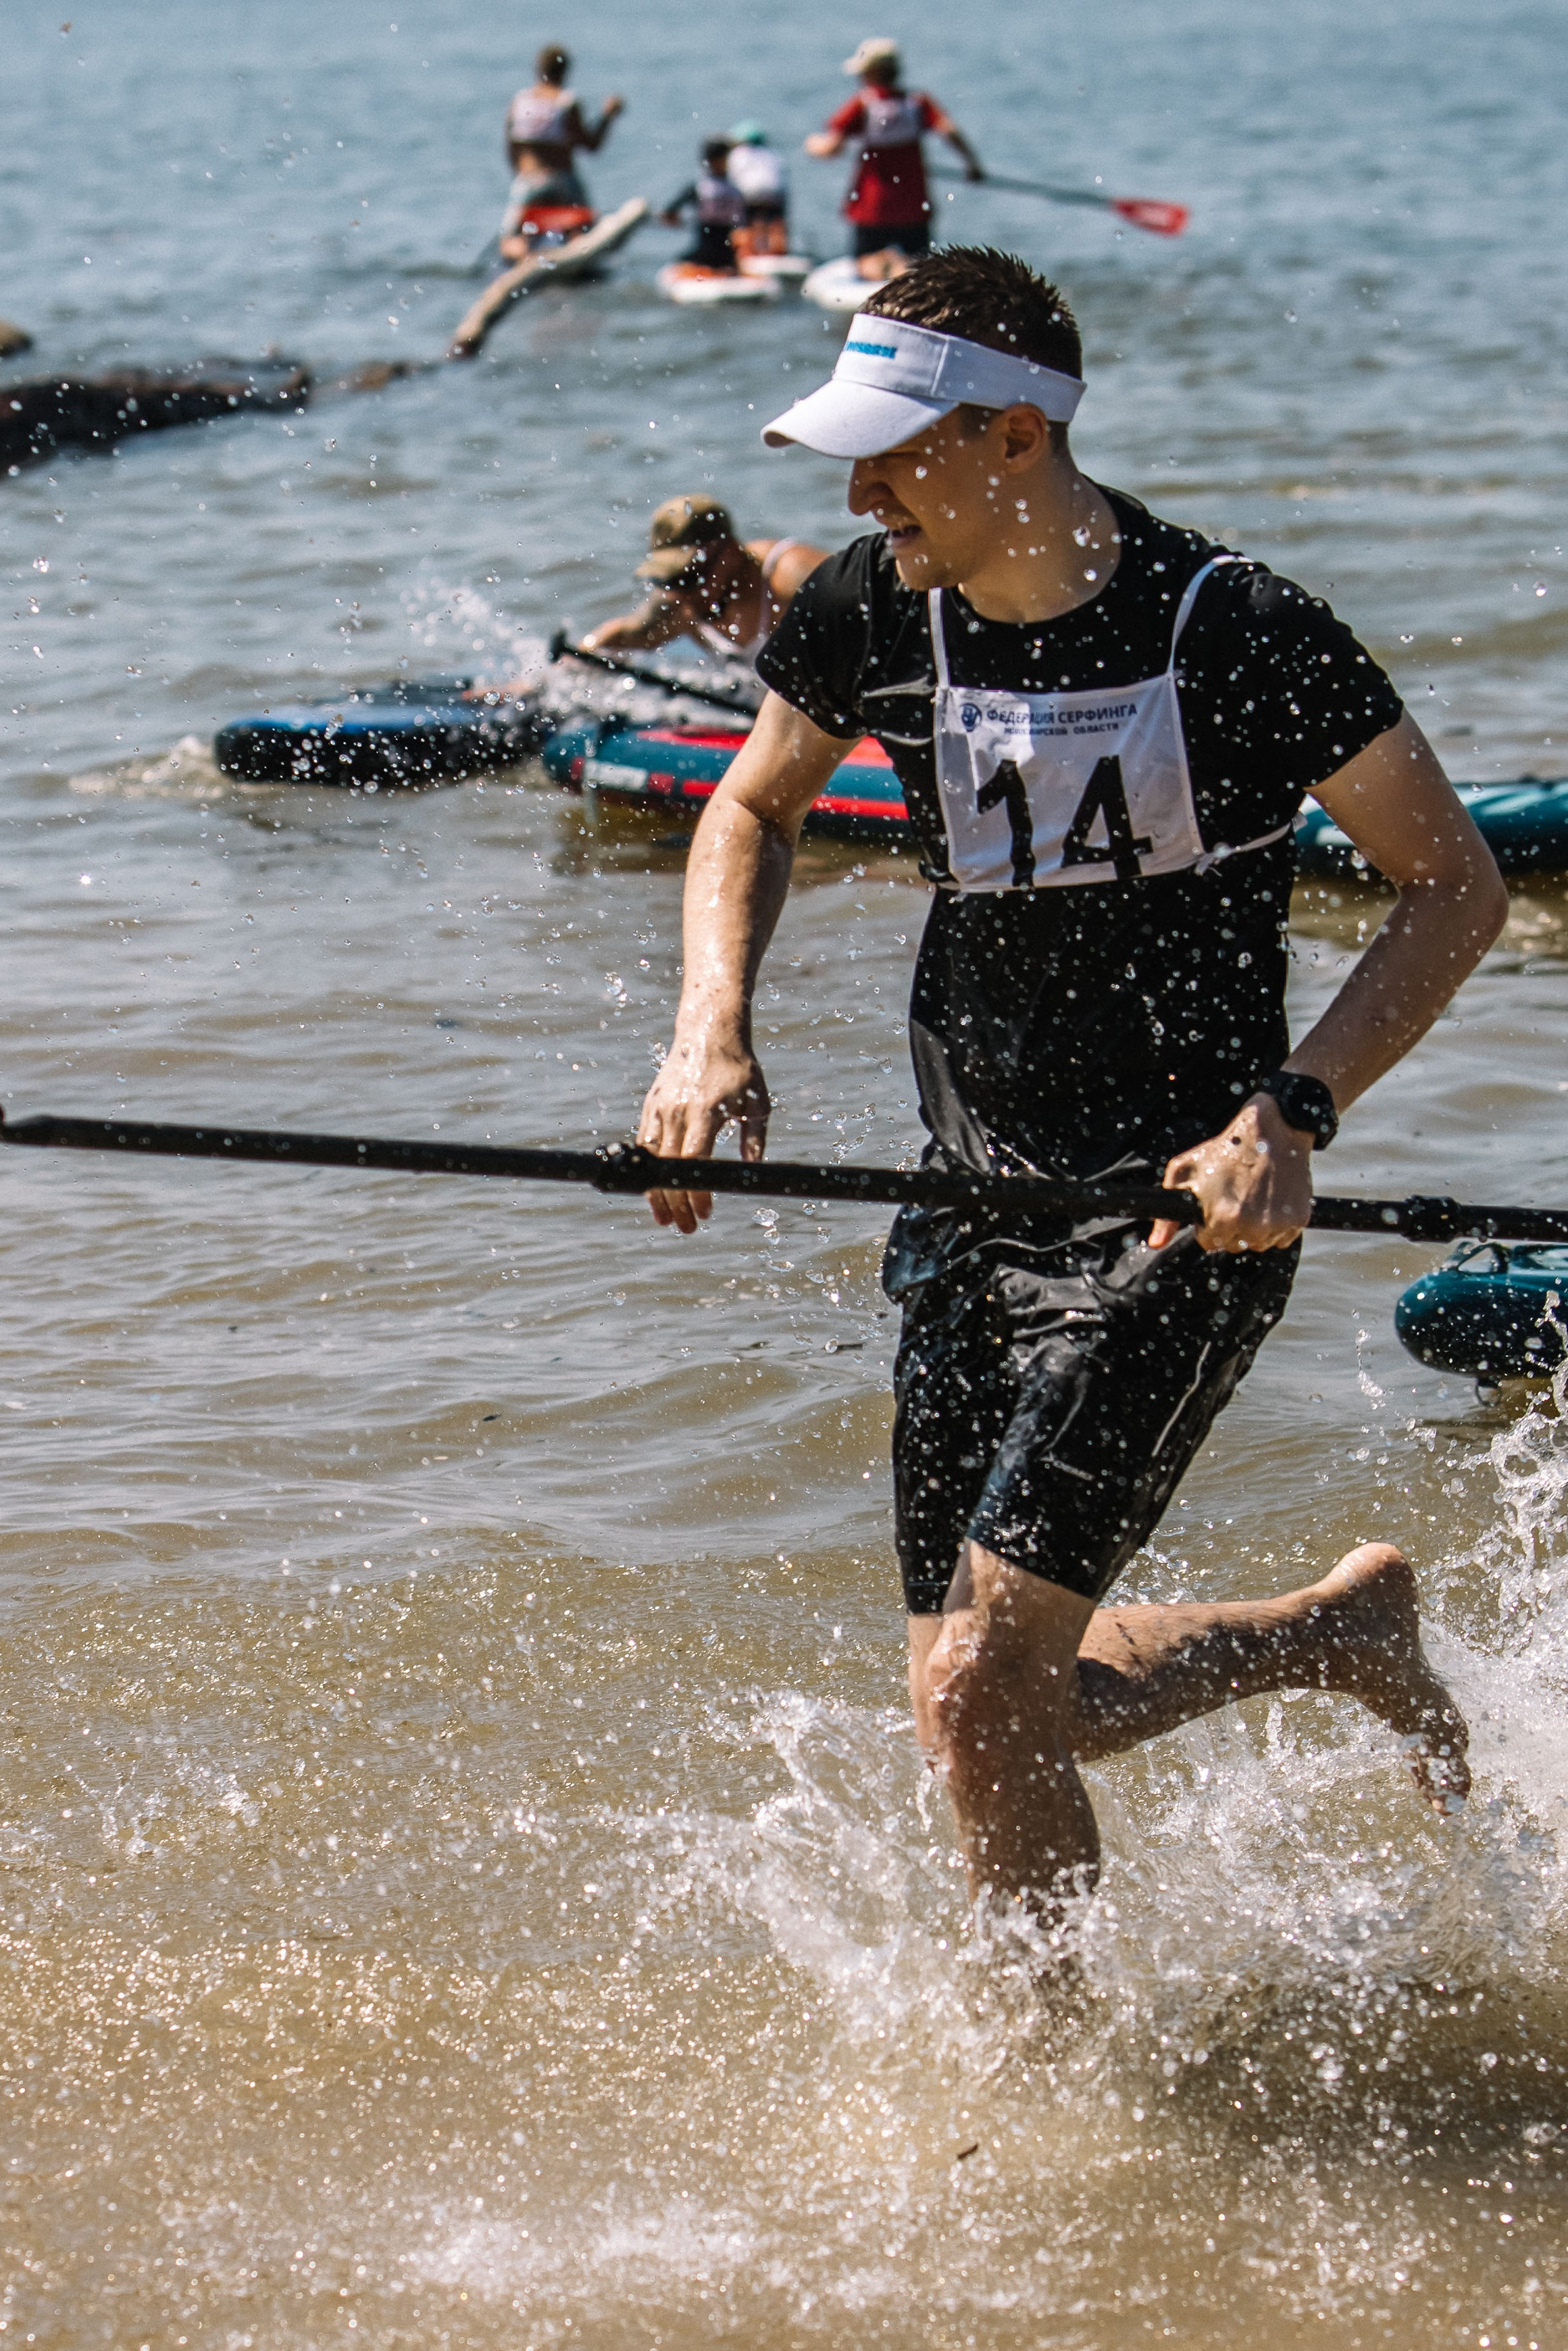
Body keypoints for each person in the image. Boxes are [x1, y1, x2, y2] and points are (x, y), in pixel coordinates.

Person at [634, 244, 1504, 1925]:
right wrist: (707, 1028)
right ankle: (1332, 1632)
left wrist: (1292, 1110)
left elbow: (1449, 884)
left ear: (1017, 436)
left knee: (976, 1694)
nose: (862, 483)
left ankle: (1040, 2104)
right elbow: (749, 807)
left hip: (1185, 1217)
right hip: (968, 1197)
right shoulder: (870, 608)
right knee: (974, 1702)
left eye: (896, 446)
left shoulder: (1234, 628)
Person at [805, 39, 985, 282]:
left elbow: (831, 149)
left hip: (872, 207)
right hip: (914, 207)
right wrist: (972, 165)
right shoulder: (917, 103)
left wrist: (812, 145)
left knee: (864, 264)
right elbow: (949, 131)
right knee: (918, 266)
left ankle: (881, 277)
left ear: (871, 73)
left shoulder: (863, 103)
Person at [580, 495, 826, 665]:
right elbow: (618, 637)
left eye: (689, 576)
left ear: (730, 551)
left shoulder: (791, 577)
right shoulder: (680, 601)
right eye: (668, 580)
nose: (684, 595)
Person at [501, 43, 625, 261]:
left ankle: (523, 257)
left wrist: (522, 178)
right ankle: (576, 252)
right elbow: (591, 146)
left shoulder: (520, 101)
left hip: (528, 182)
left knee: (511, 240)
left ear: (538, 70)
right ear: (566, 71)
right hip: (562, 183)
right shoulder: (566, 102)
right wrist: (608, 116)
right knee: (582, 232)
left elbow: (511, 149)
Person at [660, 139, 747, 274]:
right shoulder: (736, 191)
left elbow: (668, 214)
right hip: (728, 257)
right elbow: (743, 224)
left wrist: (677, 221)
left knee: (678, 261)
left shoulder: (698, 188)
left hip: (704, 255)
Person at [726, 124, 792, 257]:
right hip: (776, 192)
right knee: (775, 221)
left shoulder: (738, 154)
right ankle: (778, 252)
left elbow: (731, 179)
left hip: (750, 192)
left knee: (748, 223)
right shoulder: (773, 154)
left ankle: (749, 253)